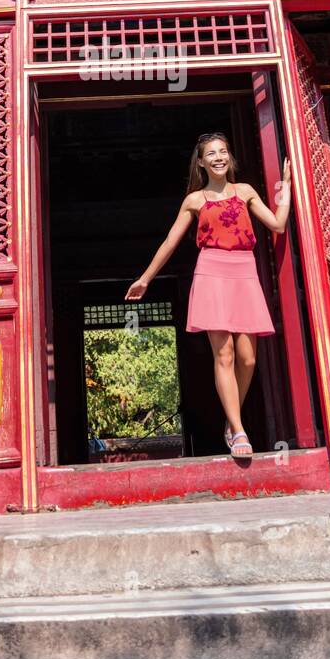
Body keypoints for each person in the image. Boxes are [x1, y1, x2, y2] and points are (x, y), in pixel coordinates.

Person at [125, 132, 292, 458]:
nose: (218, 157)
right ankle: (238, 429)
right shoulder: (195, 200)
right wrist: (145, 279)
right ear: (200, 162)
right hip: (211, 271)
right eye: (211, 153)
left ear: (229, 157)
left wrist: (284, 190)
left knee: (248, 358)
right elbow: (170, 241)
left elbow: (278, 225)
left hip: (244, 272)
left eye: (223, 151)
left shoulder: (244, 191)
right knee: (225, 354)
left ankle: (231, 421)